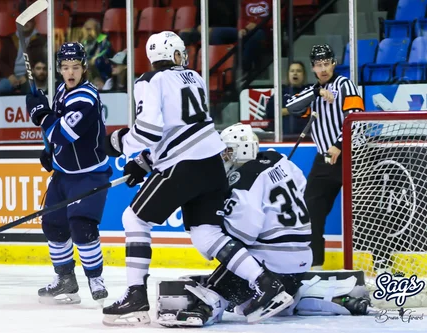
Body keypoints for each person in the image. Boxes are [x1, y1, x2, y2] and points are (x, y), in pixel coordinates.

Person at [101, 31, 293, 326]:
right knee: (208, 235)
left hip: (184, 166)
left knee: (134, 219)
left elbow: (151, 131)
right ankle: (266, 283)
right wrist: (145, 161)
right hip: (212, 165)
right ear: (177, 56)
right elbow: (180, 130)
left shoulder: (149, 81)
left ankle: (136, 295)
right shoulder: (195, 77)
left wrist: (116, 142)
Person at [154, 125, 371, 327]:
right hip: (302, 259)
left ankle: (207, 306)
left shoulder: (244, 180)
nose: (225, 156)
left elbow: (244, 235)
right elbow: (301, 184)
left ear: (243, 150)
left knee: (225, 278)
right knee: (285, 297)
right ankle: (332, 297)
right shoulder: (279, 158)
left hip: (273, 263)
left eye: (229, 151)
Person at [25, 42, 112, 305]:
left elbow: (64, 133)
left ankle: (95, 278)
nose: (70, 72)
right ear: (60, 70)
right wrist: (50, 152)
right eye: (65, 67)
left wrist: (41, 115)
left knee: (82, 225)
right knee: (53, 224)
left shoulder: (86, 97)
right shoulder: (63, 90)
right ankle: (65, 279)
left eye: (75, 67)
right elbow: (57, 132)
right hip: (64, 174)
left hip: (90, 174)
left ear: (84, 68)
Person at [286, 44, 365, 269]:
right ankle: (316, 267)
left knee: (365, 212)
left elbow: (357, 119)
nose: (323, 69)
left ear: (333, 63)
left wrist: (339, 144)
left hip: (352, 158)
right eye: (318, 65)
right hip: (324, 162)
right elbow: (291, 107)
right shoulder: (313, 93)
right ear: (312, 67)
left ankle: (381, 263)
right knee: (311, 214)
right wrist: (316, 92)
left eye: (326, 63)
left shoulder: (345, 85)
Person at [0, 18, 46, 95]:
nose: (25, 23)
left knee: (31, 88)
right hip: (11, 77)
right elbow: (2, 62)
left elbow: (40, 63)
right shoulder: (9, 40)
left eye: (28, 21)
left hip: (30, 77)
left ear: (34, 23)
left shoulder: (40, 40)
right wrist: (10, 76)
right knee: (2, 87)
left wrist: (26, 76)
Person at [265, 61, 311, 135]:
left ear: (304, 75)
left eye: (298, 71)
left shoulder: (310, 92)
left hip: (307, 136)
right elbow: (270, 113)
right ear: (288, 75)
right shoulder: (280, 93)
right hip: (284, 136)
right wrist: (291, 110)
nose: (295, 73)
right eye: (292, 71)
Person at [81, 18, 114, 88]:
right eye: (85, 29)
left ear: (97, 30)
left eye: (89, 29)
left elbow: (97, 61)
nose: (87, 32)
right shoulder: (84, 42)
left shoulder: (104, 42)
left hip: (102, 77)